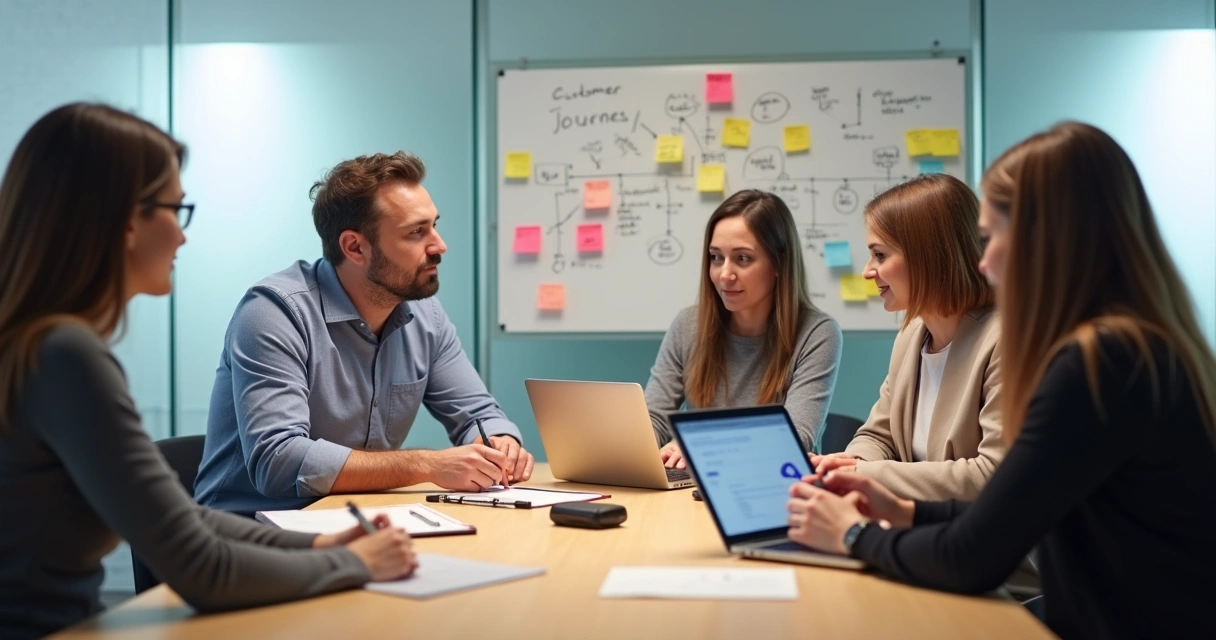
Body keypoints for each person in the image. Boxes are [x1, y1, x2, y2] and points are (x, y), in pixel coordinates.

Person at [0, 103, 417, 639]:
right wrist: (360, 565)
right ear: (124, 219)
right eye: (176, 209)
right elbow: (202, 569)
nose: (181, 236)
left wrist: (319, 544)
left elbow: (181, 519)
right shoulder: (65, 358)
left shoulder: (36, 348)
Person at [786, 122, 1216, 638]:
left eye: (991, 240)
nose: (983, 262)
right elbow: (1005, 510)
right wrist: (904, 510)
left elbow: (975, 553)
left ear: (1048, 240)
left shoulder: (1098, 363)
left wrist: (852, 534)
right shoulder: (1140, 345)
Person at [196, 151, 534, 515]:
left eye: (434, 225)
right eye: (417, 232)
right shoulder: (274, 313)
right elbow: (278, 459)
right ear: (355, 247)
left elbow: (476, 413)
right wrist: (428, 465)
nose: (439, 245)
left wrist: (500, 442)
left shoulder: (426, 316)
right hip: (245, 535)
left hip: (355, 521)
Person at [813, 174, 1003, 500]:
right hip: (914, 530)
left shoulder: (1004, 342)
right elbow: (879, 435)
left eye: (880, 255)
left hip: (977, 545)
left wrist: (863, 474)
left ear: (927, 256)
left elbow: (992, 474)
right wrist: (847, 463)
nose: (868, 271)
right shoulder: (912, 334)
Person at [646, 189, 842, 468]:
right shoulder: (688, 325)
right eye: (716, 257)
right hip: (694, 487)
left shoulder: (817, 333)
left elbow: (796, 439)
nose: (725, 274)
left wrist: (698, 443)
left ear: (778, 263)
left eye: (743, 258)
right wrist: (624, 442)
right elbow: (655, 419)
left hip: (773, 490)